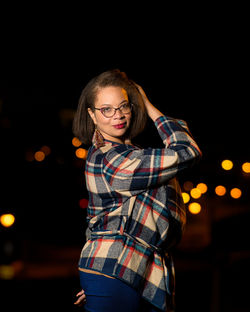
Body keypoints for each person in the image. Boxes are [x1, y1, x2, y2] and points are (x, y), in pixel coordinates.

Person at [72, 69, 202, 312]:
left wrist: (98, 271)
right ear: (91, 114)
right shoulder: (111, 159)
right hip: (120, 272)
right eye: (106, 109)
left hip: (131, 271)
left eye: (124, 106)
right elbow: (187, 151)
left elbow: (95, 218)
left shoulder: (131, 155)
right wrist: (151, 108)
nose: (118, 115)